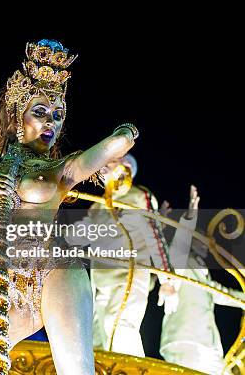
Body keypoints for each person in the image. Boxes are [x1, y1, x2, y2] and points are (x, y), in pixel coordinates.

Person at [0, 39, 137, 375]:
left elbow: (116, 145)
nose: (51, 123)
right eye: (41, 112)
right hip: (7, 283)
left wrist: (125, 134)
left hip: (56, 269)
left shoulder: (60, 169)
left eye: (58, 115)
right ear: (18, 114)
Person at [64, 155, 176, 357]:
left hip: (128, 277)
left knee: (120, 329)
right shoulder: (98, 206)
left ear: (126, 168)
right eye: (103, 164)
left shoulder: (139, 196)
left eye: (110, 163)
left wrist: (167, 280)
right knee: (97, 338)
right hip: (100, 283)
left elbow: (155, 237)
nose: (103, 167)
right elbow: (77, 235)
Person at [159, 187, 245, 374]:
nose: (208, 245)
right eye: (203, 240)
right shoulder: (182, 262)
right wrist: (190, 216)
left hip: (207, 345)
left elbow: (219, 292)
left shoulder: (201, 270)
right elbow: (178, 249)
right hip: (186, 342)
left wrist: (243, 300)